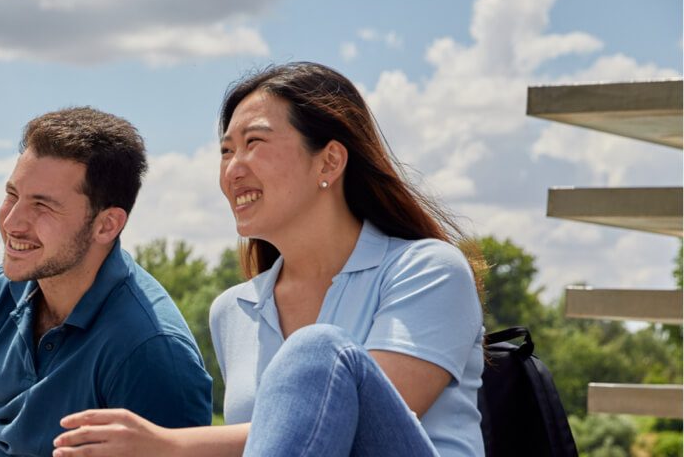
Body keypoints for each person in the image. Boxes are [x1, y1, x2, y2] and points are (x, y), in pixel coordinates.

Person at [53, 62, 485, 456]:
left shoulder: (429, 269)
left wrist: (169, 445)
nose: (233, 169)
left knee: (318, 350)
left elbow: (347, 422)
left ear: (329, 161)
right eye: (226, 151)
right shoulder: (233, 311)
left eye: (254, 142)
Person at [0, 107, 215, 456]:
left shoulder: (152, 353)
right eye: (12, 195)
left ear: (106, 225)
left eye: (42, 206)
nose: (12, 222)